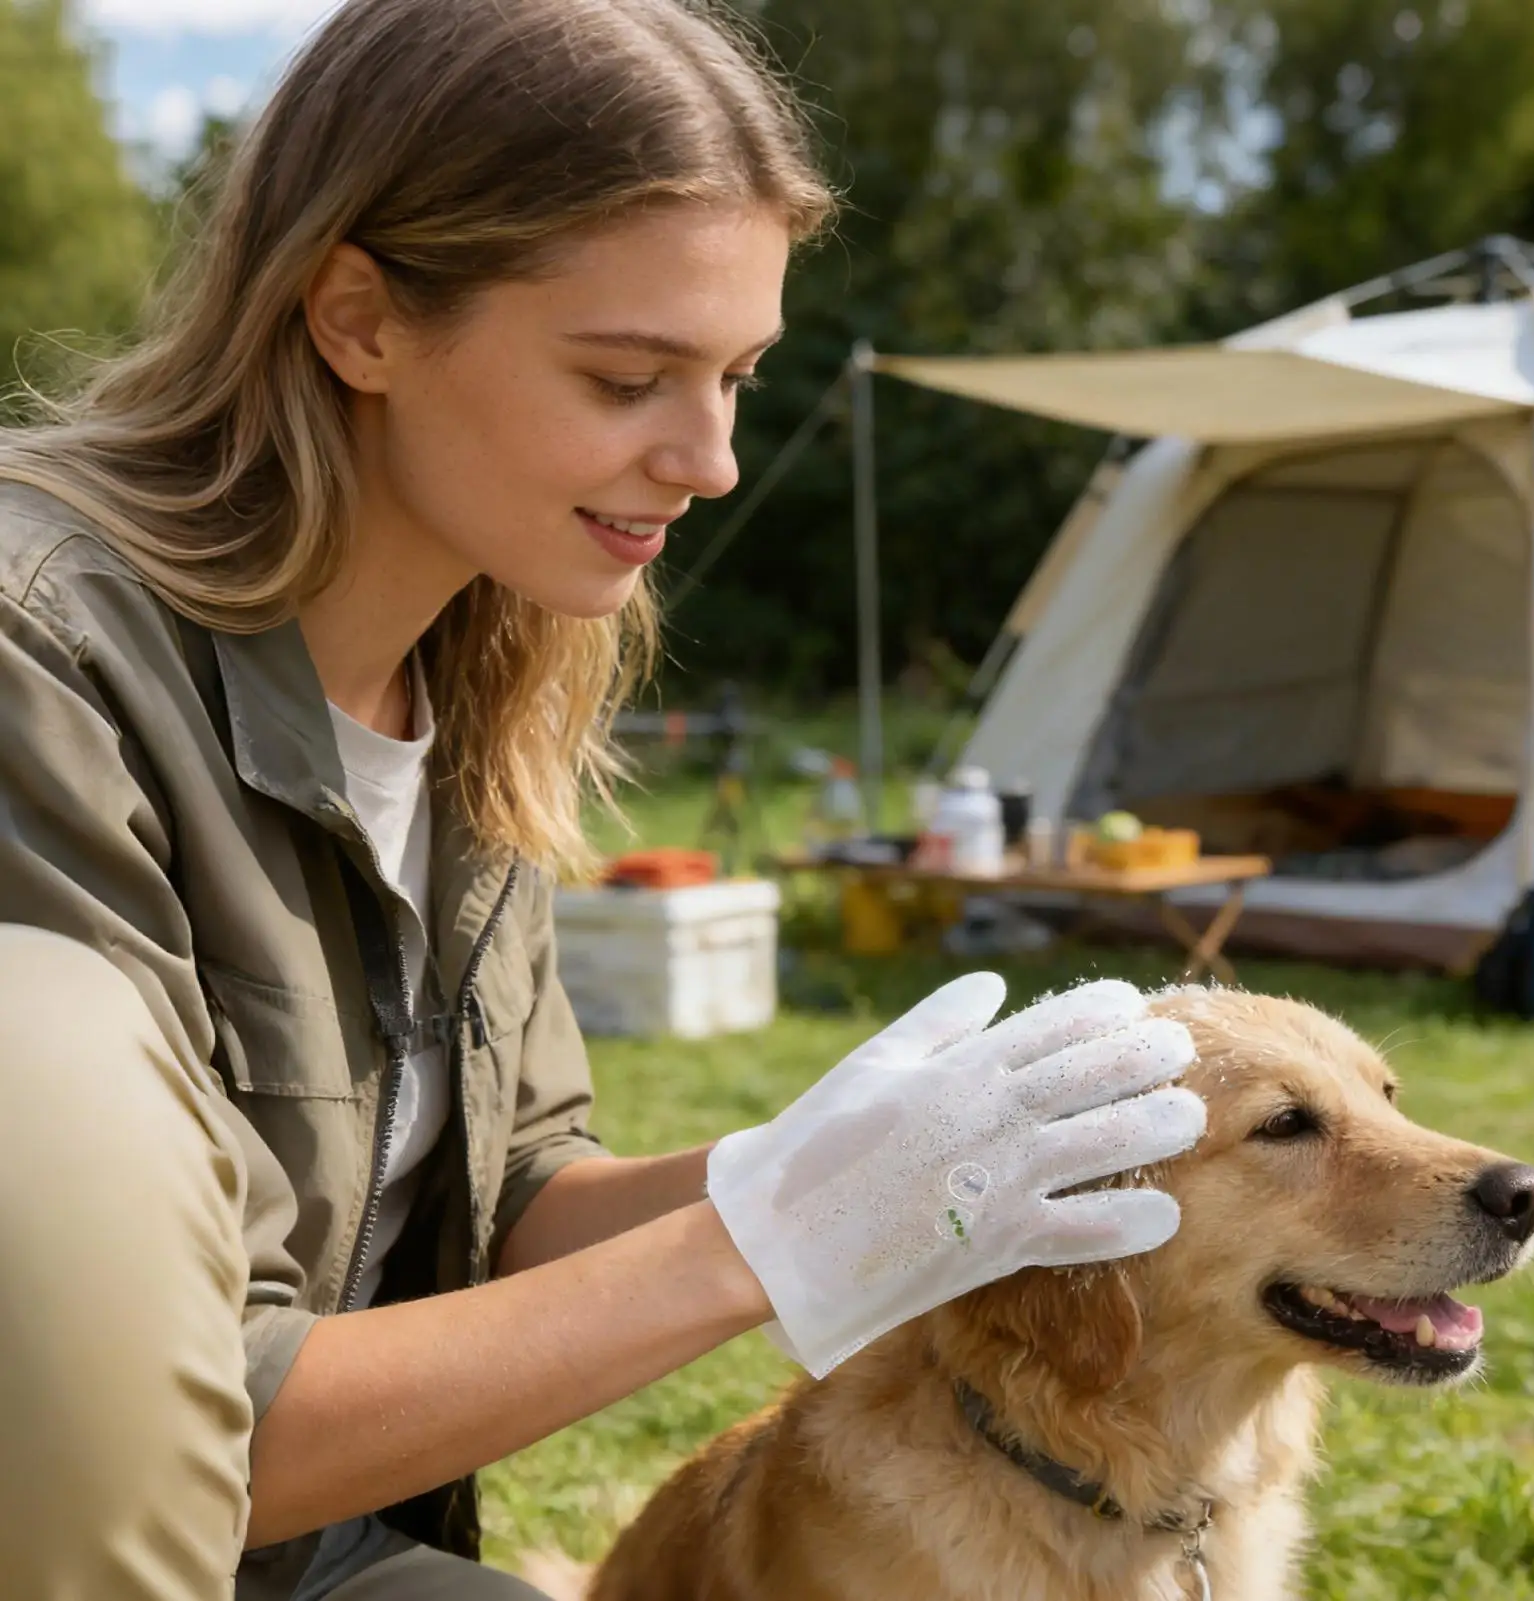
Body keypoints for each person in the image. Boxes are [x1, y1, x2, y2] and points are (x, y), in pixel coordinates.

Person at [0, 2, 1207, 1597]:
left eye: (737, 377)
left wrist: (840, 1167)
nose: (708, 460)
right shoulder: (43, 659)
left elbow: (514, 1203)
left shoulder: (490, 657)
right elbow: (177, 1441)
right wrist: (763, 1247)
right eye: (631, 376)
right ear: (357, 317)